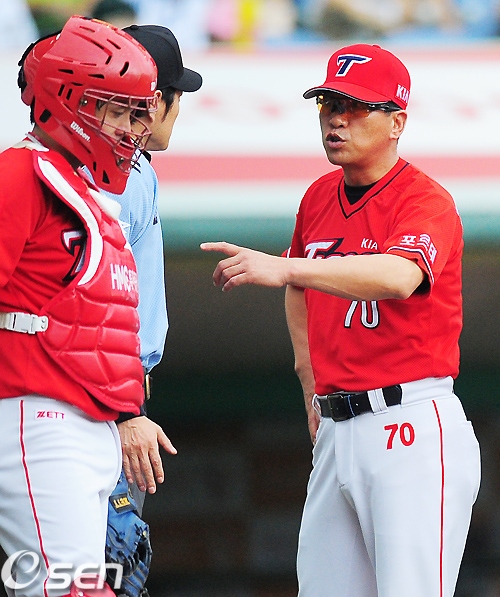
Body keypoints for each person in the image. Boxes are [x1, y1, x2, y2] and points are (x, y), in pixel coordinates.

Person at [201, 43, 481, 596]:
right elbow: (299, 289)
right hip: (337, 423)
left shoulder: (425, 199)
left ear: (397, 122)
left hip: (410, 421)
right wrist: (310, 379)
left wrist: (285, 266)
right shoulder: (318, 197)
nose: (336, 118)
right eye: (329, 104)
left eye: (355, 106)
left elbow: (400, 276)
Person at [0, 15, 159, 597]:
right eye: (116, 111)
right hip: (36, 416)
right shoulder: (20, 172)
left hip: (91, 427)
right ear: (70, 103)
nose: (129, 129)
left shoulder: (90, 192)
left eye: (134, 113)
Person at [18, 21, 202, 510]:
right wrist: (125, 412)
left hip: (93, 396)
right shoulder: (115, 173)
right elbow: (90, 302)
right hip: (92, 401)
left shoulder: (113, 167)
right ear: (154, 100)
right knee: (99, 553)